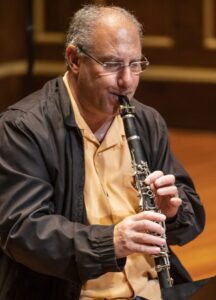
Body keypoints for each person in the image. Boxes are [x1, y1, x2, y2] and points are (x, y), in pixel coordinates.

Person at [0, 4, 205, 300]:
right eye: (111, 65)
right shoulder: (22, 128)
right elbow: (22, 231)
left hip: (152, 290)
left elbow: (191, 217)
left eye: (135, 64)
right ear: (74, 59)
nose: (127, 81)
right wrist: (113, 241)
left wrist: (172, 211)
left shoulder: (147, 122)